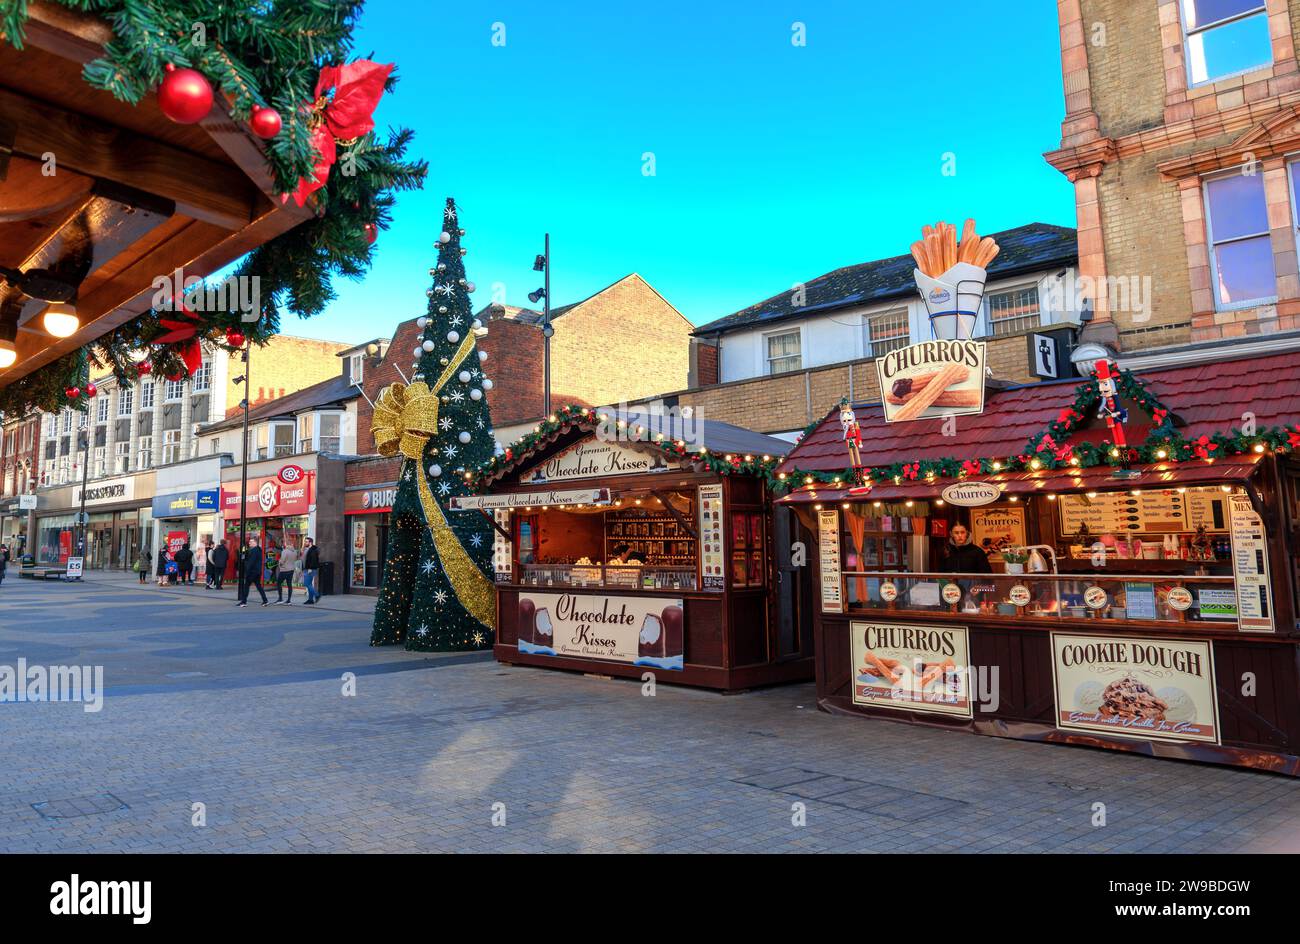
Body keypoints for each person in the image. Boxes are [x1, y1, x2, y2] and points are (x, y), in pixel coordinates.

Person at [237, 536, 269, 607]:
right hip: (257, 571)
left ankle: (243, 602)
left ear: (255, 542)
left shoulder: (254, 551)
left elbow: (251, 562)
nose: (249, 543)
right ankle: (265, 600)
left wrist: (246, 568)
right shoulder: (259, 550)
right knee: (259, 586)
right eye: (249, 542)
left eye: (251, 542)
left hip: (252, 572)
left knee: (246, 586)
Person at [301, 537, 321, 605]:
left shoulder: (313, 550)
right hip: (307, 568)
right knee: (309, 584)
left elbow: (313, 560)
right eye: (305, 541)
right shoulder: (308, 549)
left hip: (310, 569)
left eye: (306, 542)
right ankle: (310, 600)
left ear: (310, 542)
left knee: (307, 584)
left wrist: (310, 568)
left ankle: (317, 595)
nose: (305, 543)